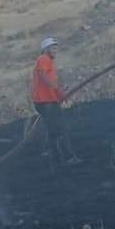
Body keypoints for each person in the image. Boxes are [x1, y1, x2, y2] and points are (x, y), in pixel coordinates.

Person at [31, 37, 80, 165]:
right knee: (61, 128)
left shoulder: (47, 62)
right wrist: (57, 90)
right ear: (45, 49)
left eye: (55, 48)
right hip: (46, 102)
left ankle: (55, 157)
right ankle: (68, 158)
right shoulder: (43, 59)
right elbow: (43, 75)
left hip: (45, 101)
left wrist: (58, 94)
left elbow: (47, 80)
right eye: (52, 48)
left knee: (52, 129)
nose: (55, 51)